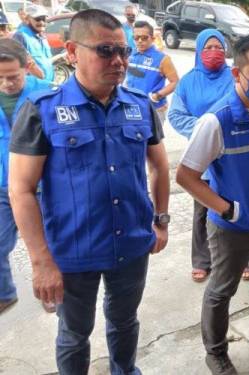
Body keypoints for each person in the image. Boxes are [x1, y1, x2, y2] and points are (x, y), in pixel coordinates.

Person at [8, 9, 170, 374]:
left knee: (125, 321)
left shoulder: (140, 106)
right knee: (74, 334)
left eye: (124, 51)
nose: (118, 61)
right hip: (72, 250)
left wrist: (161, 220)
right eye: (104, 50)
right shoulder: (42, 111)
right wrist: (41, 261)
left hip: (131, 244)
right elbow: (21, 190)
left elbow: (160, 165)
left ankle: (124, 370)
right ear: (71, 51)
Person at [176, 35, 249, 375]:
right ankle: (215, 352)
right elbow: (186, 176)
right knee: (221, 291)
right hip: (234, 227)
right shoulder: (217, 121)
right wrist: (227, 209)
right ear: (236, 74)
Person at [168, 29, 241, 283]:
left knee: (237, 207)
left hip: (233, 153)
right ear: (198, 50)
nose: (214, 52)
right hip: (202, 156)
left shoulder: (234, 76)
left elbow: (243, 107)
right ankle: (202, 260)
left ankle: (241, 259)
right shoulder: (188, 81)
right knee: (203, 210)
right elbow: (175, 115)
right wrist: (205, 129)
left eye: (218, 47)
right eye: (208, 48)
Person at [0, 39, 52, 315]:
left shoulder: (44, 96)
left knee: (49, 244)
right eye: (0, 78)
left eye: (13, 77)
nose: (7, 83)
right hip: (2, 186)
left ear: (27, 69)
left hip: (42, 187)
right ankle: (4, 293)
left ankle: (52, 290)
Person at [125, 20, 179, 122]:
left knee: (153, 138)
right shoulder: (130, 55)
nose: (140, 41)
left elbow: (175, 82)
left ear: (152, 38)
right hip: (132, 107)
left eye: (144, 37)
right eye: (136, 38)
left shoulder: (162, 59)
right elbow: (135, 76)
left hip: (154, 109)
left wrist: (157, 96)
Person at [12, 4, 53, 82]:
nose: (41, 22)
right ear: (27, 20)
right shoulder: (21, 36)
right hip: (33, 88)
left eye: (43, 19)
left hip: (47, 85)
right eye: (37, 19)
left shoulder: (42, 35)